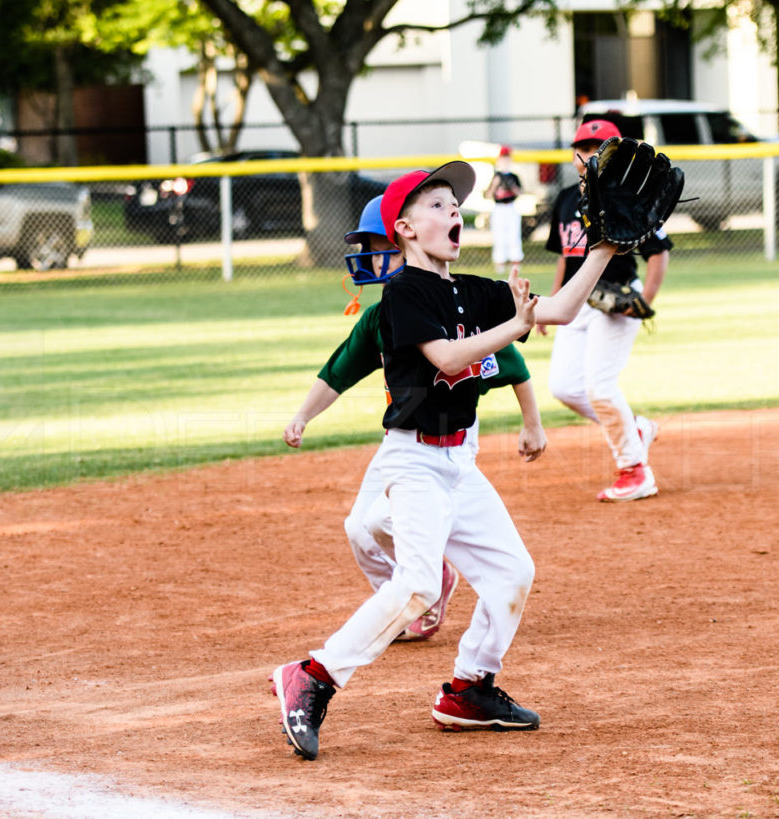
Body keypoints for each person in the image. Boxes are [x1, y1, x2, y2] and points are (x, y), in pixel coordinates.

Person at [271, 160, 618, 761]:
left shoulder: (472, 289)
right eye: (437, 205)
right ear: (404, 228)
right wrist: (514, 323)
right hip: (413, 463)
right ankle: (312, 676)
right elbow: (450, 358)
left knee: (512, 573)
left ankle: (467, 689)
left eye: (456, 205)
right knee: (416, 584)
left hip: (461, 465)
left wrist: (605, 249)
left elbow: (557, 310)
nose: (453, 212)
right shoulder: (405, 293)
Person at [283, 195, 547, 643]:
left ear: (401, 239)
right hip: (404, 437)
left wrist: (532, 423)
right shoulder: (381, 316)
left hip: (453, 437)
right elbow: (339, 371)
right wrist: (303, 416)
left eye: (373, 244)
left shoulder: (456, 306)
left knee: (384, 522)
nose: (365, 255)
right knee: (359, 527)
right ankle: (416, 596)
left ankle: (422, 582)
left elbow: (514, 365)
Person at [539, 119, 673, 502]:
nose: (587, 154)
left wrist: (645, 299)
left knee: (599, 387)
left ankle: (635, 470)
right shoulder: (566, 199)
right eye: (581, 147)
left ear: (614, 152)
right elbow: (566, 257)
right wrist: (551, 304)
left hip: (614, 303)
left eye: (597, 146)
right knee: (564, 387)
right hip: (574, 303)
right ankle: (636, 429)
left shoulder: (626, 198)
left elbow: (659, 252)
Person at [483, 145, 523, 275]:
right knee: (499, 236)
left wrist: (512, 187)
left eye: (507, 158)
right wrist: (495, 184)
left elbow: (520, 193)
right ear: (499, 160)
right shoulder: (496, 176)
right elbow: (487, 195)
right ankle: (499, 264)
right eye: (503, 158)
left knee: (514, 235)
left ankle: (515, 263)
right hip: (499, 208)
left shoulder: (513, 176)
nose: (505, 161)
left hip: (511, 207)